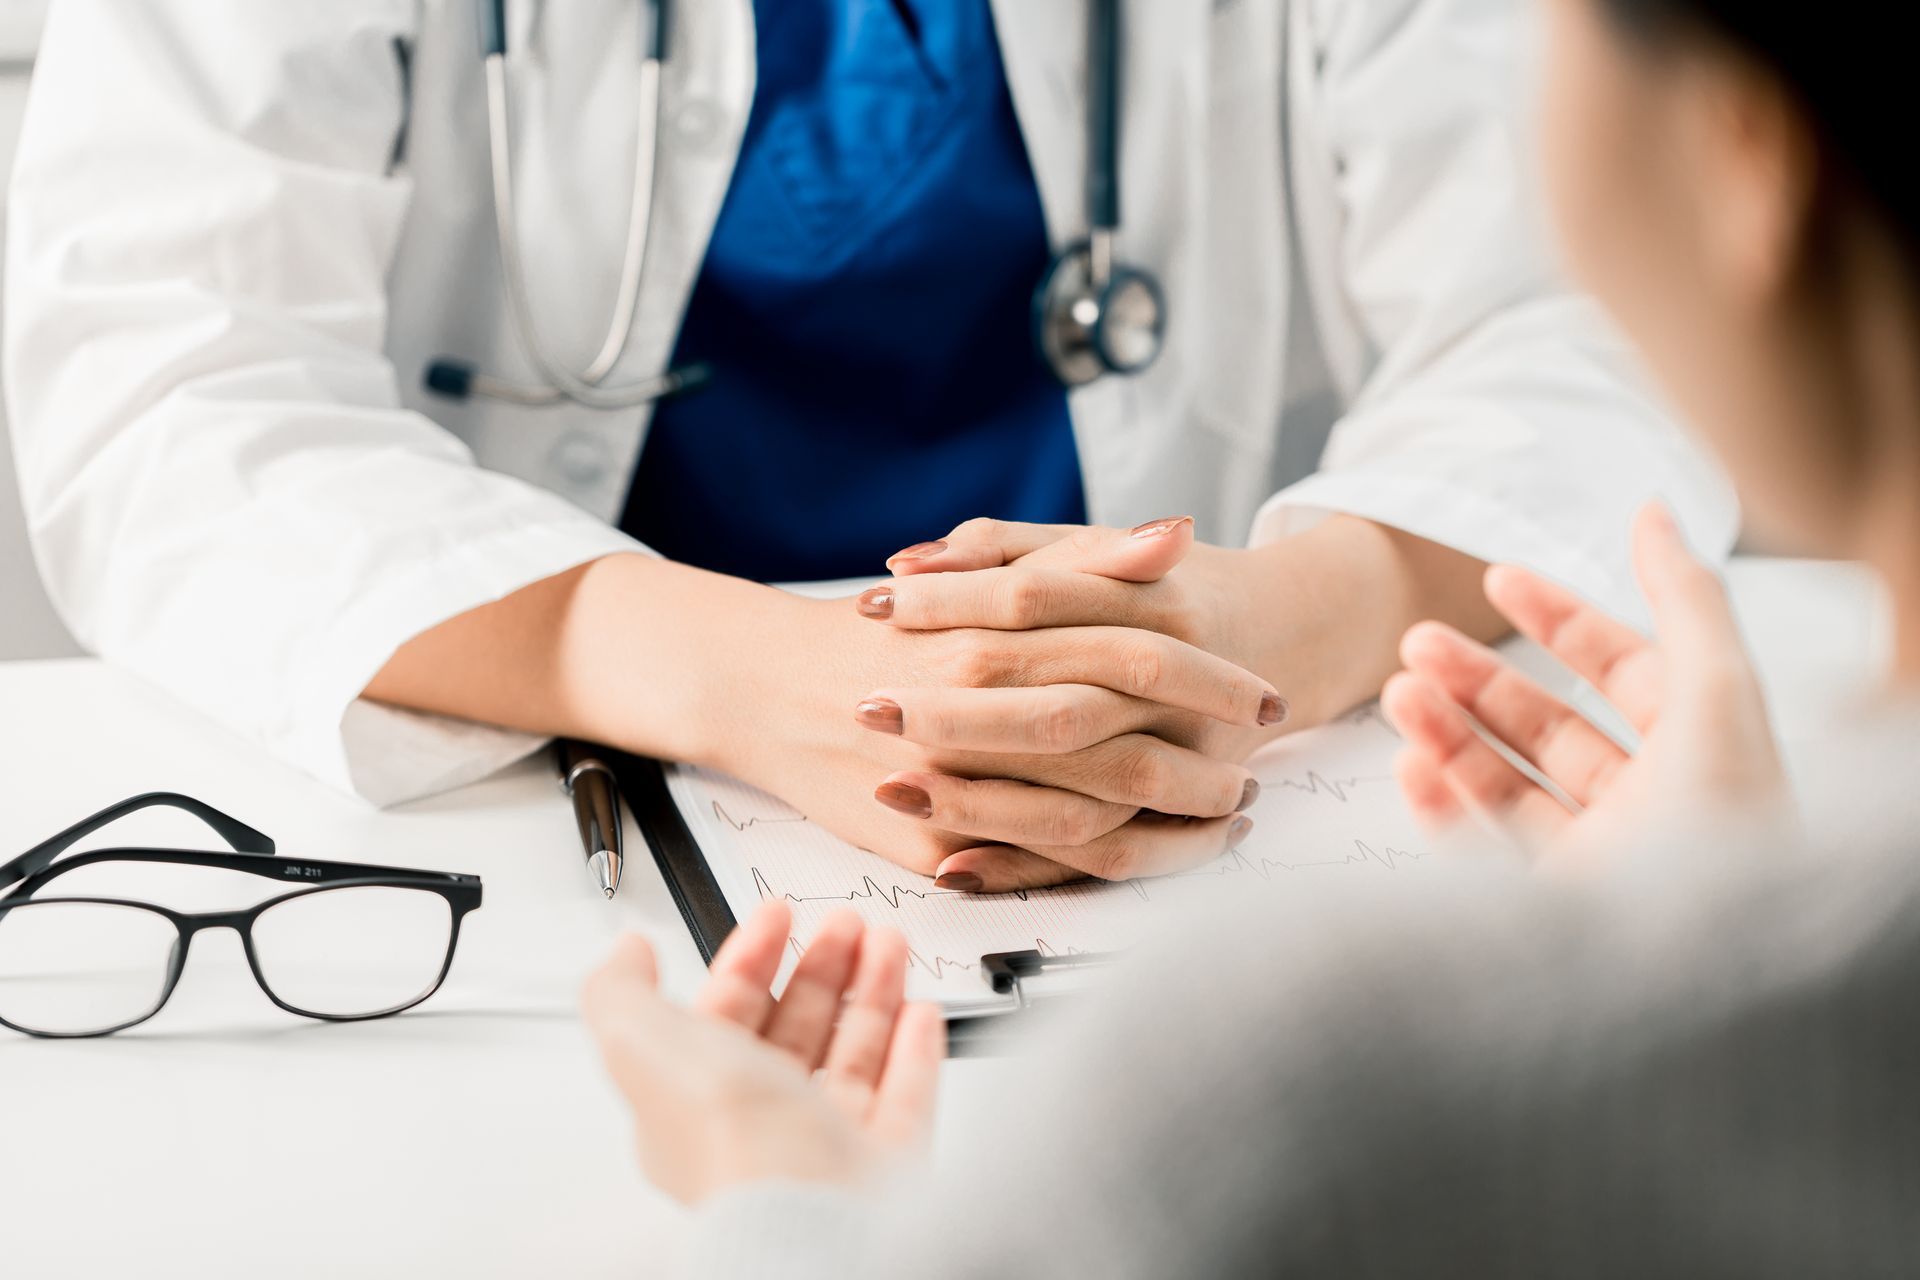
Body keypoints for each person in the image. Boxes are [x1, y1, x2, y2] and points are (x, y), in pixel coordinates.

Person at [579, 0, 1920, 1272]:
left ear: (1746, 154)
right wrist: (1721, 932)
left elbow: (1550, 327)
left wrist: (780, 1199)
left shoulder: (1302, 1089)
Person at [3, 0, 1730, 891]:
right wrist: (722, 671)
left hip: (1237, 820)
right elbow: (166, 379)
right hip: (548, 821)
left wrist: (1268, 629)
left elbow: (1611, 305)